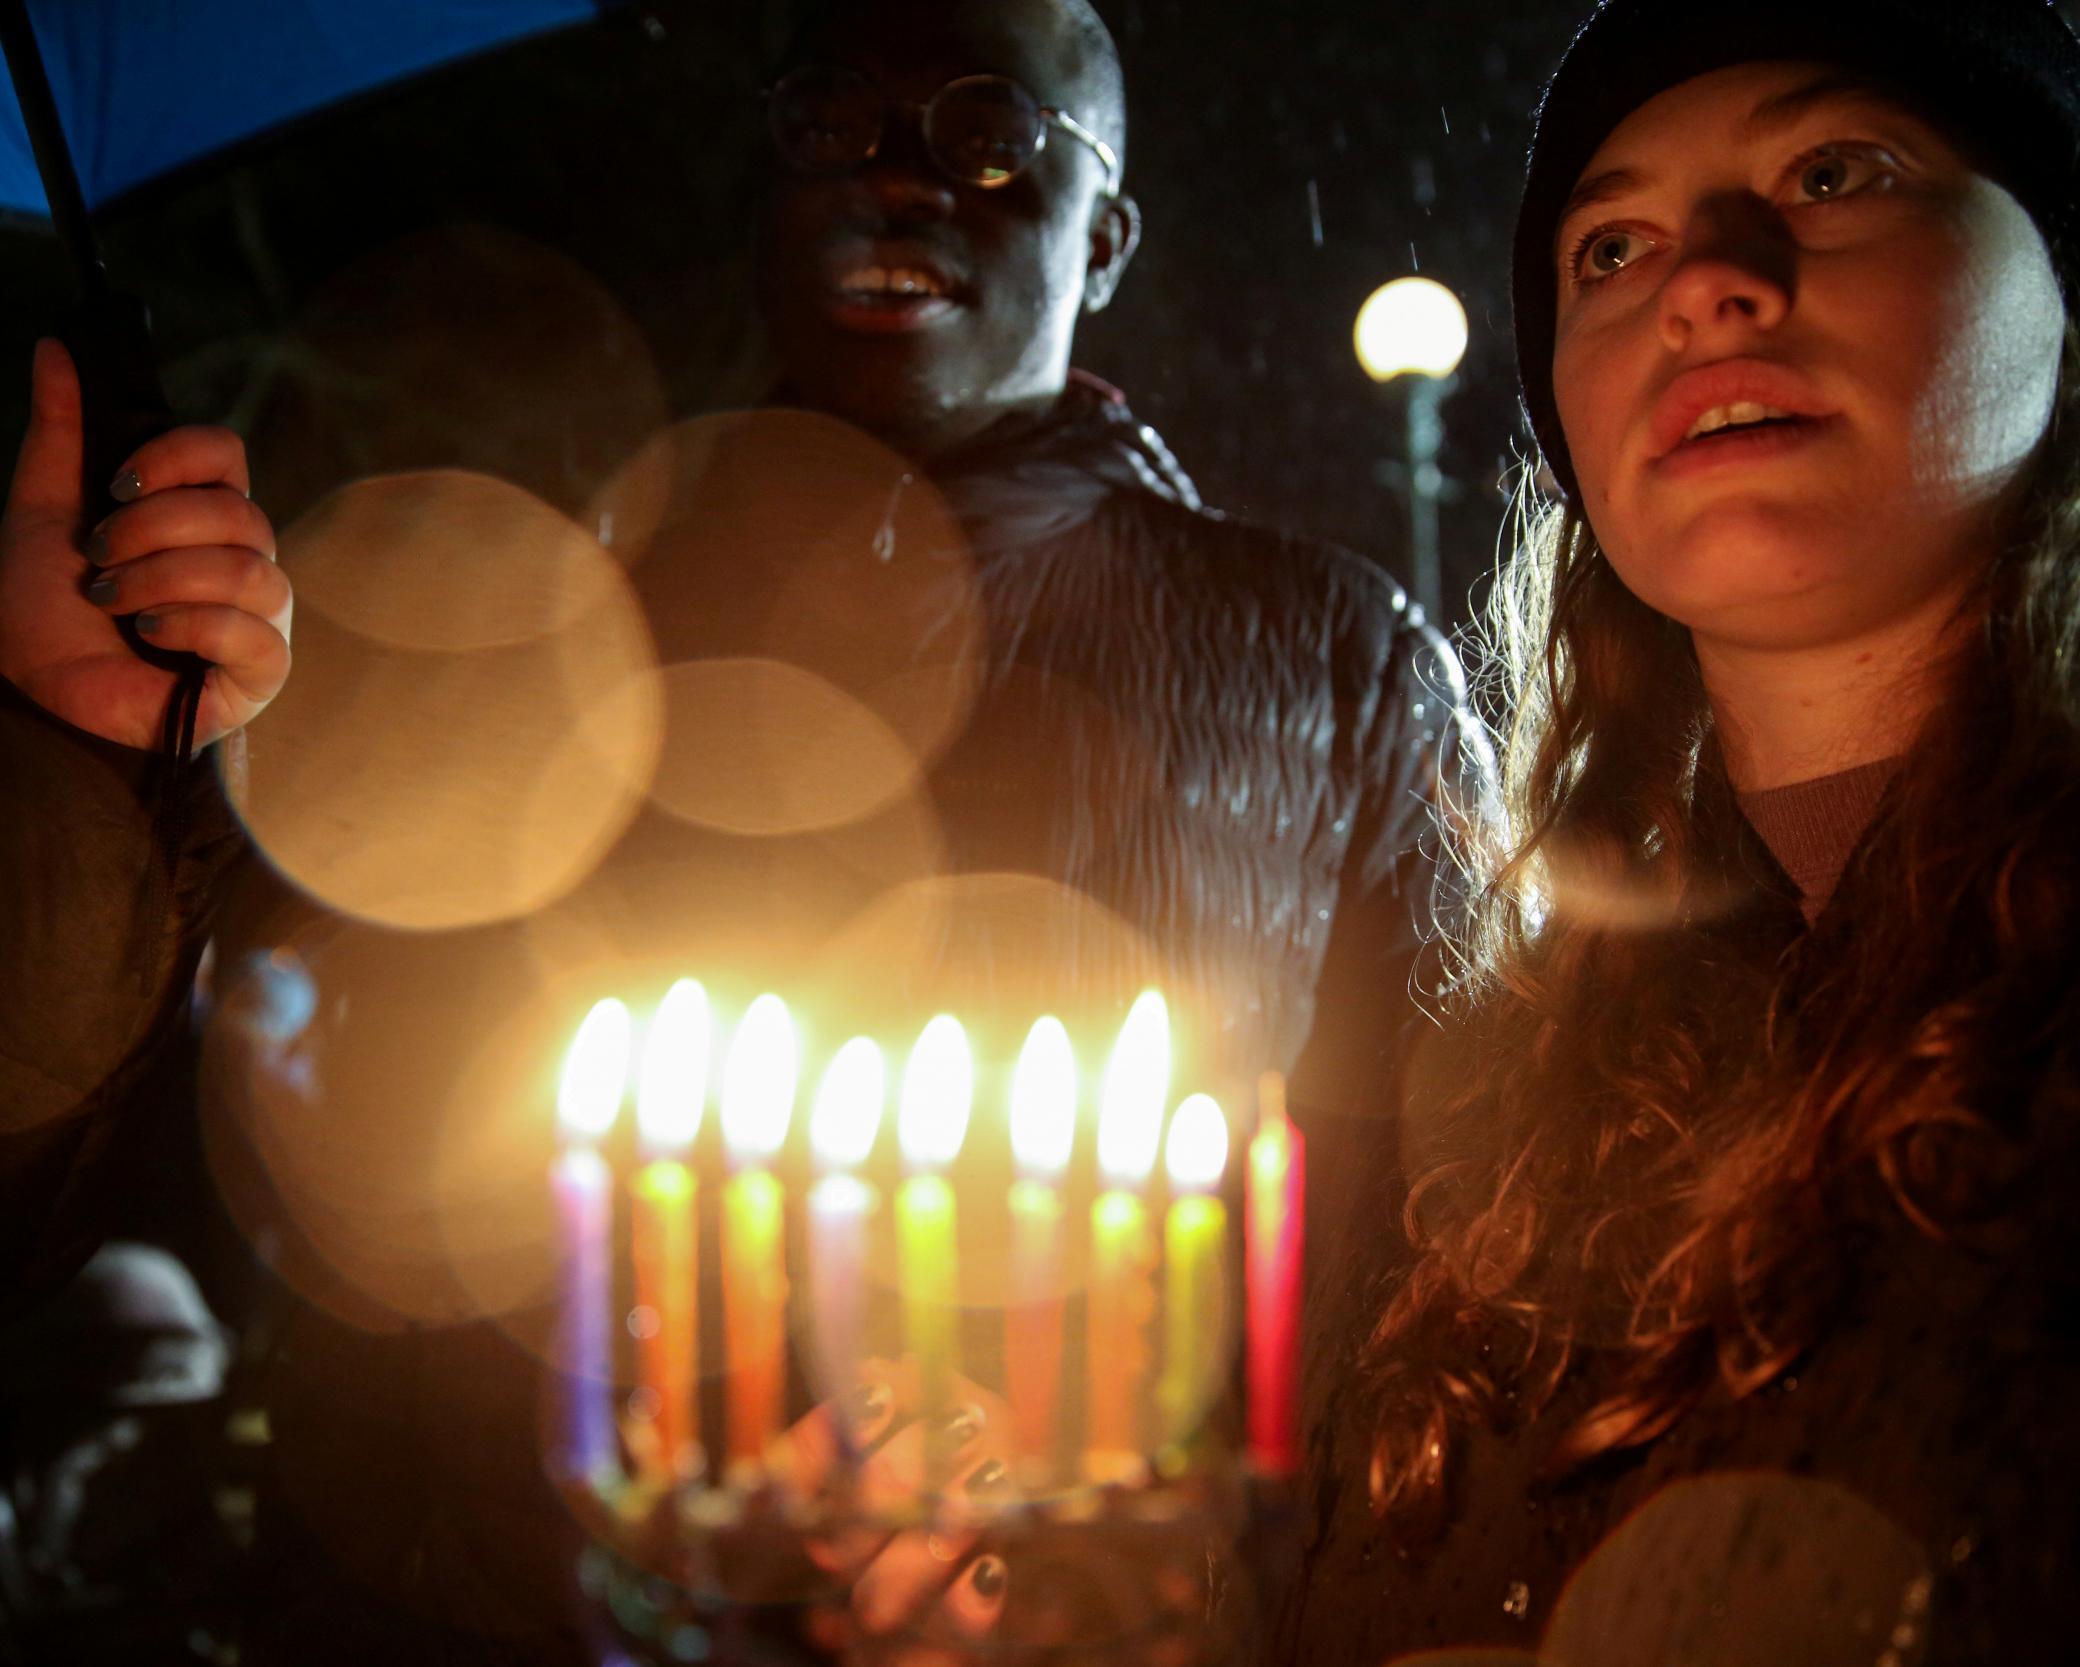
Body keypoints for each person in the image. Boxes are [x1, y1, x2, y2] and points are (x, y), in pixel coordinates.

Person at [0, 1, 1462, 1662]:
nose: (900, 187)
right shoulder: (521, 637)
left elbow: (1425, 1247)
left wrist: (1177, 1577)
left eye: (990, 137)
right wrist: (86, 773)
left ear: (1106, 236)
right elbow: (211, 1179)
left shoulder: (1333, 665)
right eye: (830, 123)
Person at [1278, 1, 2080, 1662]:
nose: (1705, 278)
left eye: (1836, 171)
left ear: (2070, 296)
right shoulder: (1500, 1080)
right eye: (1611, 244)